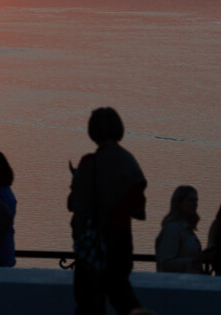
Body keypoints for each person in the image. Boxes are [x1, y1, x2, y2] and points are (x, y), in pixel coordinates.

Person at [68, 107, 146, 314]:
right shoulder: (130, 163)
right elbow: (138, 210)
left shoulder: (89, 163)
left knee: (89, 301)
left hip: (94, 240)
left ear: (92, 131)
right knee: (122, 294)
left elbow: (75, 205)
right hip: (121, 239)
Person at [155, 185, 202, 273]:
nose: (195, 204)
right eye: (191, 200)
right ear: (180, 203)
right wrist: (195, 261)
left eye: (196, 200)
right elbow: (166, 263)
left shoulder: (187, 229)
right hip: (176, 283)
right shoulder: (173, 229)